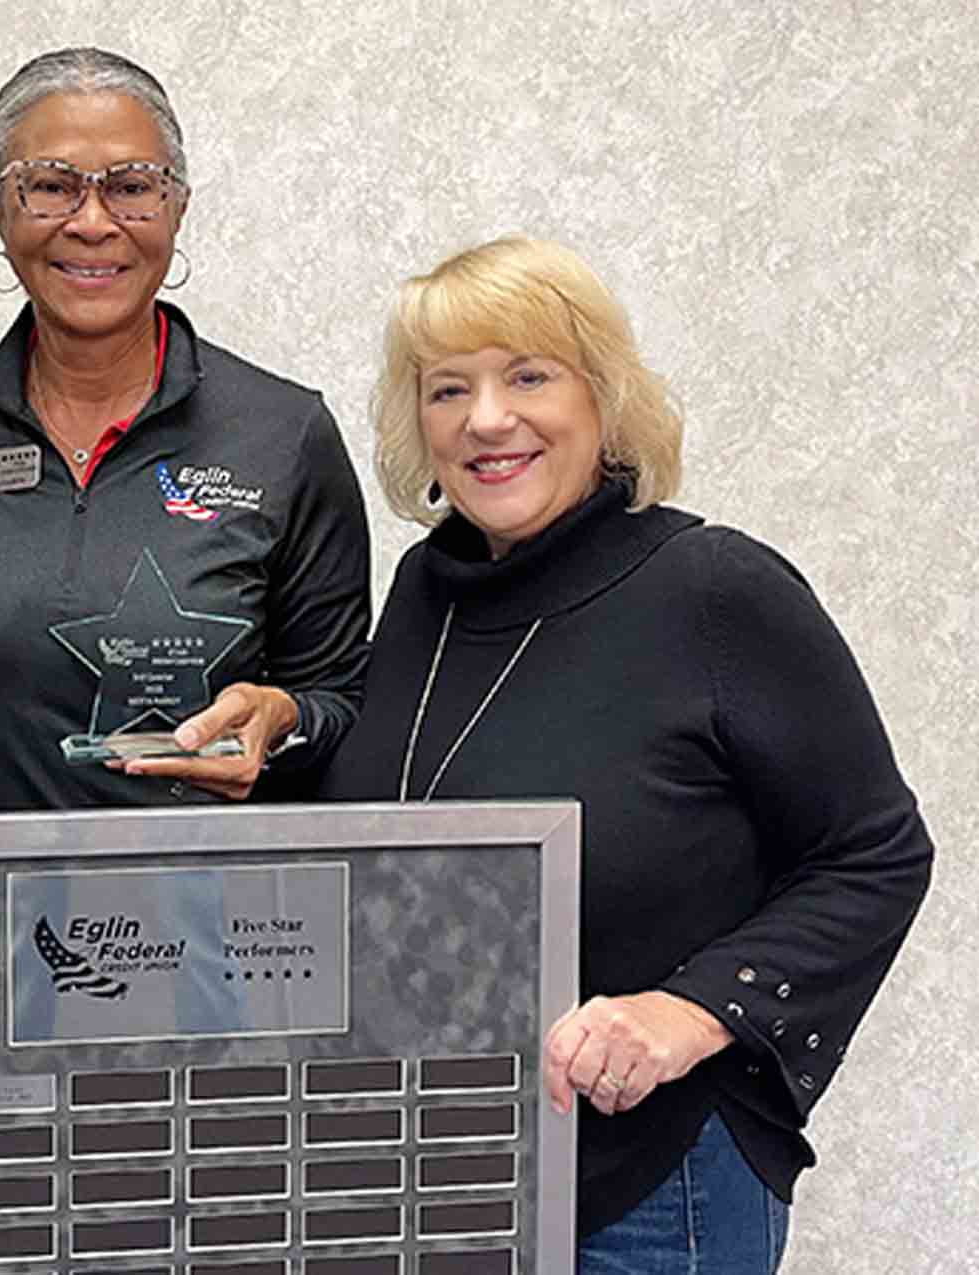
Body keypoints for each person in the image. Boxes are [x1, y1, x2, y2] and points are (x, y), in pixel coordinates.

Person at [320, 236, 933, 1270]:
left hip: (655, 1185)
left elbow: (872, 855)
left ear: (600, 399)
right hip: (450, 1176)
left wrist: (687, 1013)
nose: (485, 419)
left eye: (527, 376)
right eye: (446, 389)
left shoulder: (712, 589)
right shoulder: (425, 596)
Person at [0, 47, 371, 808]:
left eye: (133, 187)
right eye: (50, 187)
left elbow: (344, 700)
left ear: (178, 207)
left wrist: (286, 719)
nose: (93, 222)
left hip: (210, 913)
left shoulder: (286, 432)